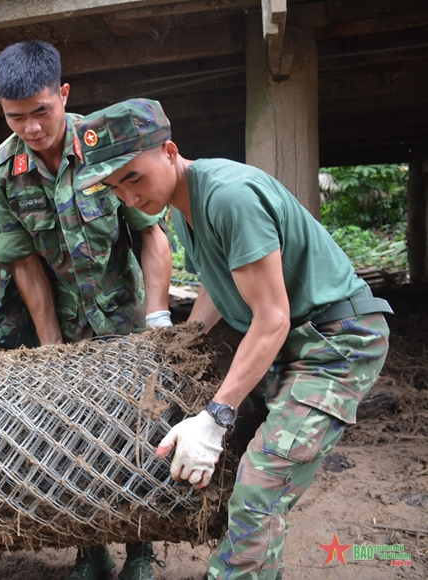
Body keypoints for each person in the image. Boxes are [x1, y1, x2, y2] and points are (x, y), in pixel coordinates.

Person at [73, 98, 393, 579]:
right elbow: (222, 286)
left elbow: (271, 318)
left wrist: (216, 415)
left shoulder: (228, 196)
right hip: (294, 346)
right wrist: (184, 341)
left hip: (337, 345)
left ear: (168, 150)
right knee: (237, 466)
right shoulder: (185, 207)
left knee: (260, 484)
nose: (129, 198)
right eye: (115, 188)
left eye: (133, 178)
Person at [0, 40, 172, 580]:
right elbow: (23, 263)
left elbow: (152, 235)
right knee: (68, 438)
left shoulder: (107, 145)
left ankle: (141, 552)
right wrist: (50, 348)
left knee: (139, 431)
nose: (33, 128)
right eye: (17, 117)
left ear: (63, 94)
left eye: (42, 111)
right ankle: (89, 552)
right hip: (62, 321)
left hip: (128, 315)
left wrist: (156, 321)